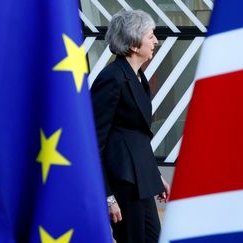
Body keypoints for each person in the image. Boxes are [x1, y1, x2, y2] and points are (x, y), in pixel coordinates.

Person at [90, 9, 171, 243]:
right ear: (134, 44)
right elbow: (94, 143)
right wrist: (107, 197)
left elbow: (137, 135)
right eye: (150, 35)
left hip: (141, 180)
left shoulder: (138, 77)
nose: (155, 40)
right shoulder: (112, 78)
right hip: (123, 183)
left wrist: (155, 176)